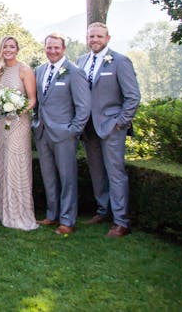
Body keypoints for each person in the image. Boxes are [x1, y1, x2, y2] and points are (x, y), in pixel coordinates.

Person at [78, 22, 141, 237]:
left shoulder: (120, 61)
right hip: (88, 128)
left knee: (116, 174)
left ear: (108, 38)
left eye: (99, 36)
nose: (95, 40)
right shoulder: (82, 61)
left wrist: (120, 122)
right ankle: (103, 210)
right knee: (97, 172)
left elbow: (133, 96)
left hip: (111, 126)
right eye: (91, 36)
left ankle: (121, 221)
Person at [32, 33, 91, 235]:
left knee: (67, 178)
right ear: (45, 48)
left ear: (63, 49)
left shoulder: (74, 72)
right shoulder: (39, 70)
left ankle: (67, 220)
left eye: (56, 48)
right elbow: (37, 102)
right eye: (49, 47)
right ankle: (52, 214)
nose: (52, 51)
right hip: (42, 133)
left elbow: (83, 107)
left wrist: (73, 131)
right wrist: (35, 122)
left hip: (64, 134)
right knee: (49, 177)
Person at [0, 36, 38, 231]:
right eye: (5, 47)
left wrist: (16, 111)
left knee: (16, 164)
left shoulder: (24, 70)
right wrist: (6, 111)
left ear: (17, 49)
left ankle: (20, 214)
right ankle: (4, 213)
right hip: (2, 123)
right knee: (3, 163)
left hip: (19, 123)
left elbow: (32, 100)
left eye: (12, 46)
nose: (8, 49)